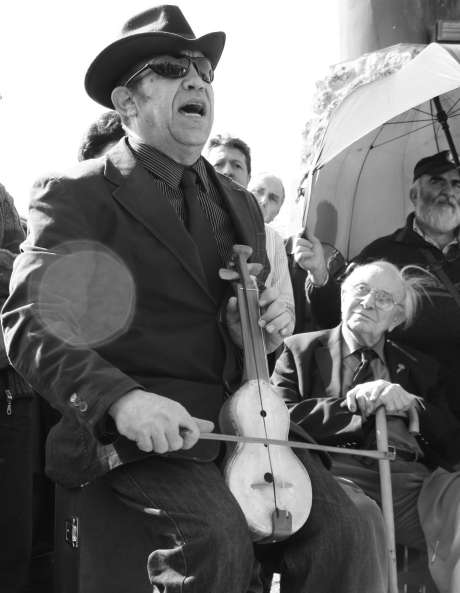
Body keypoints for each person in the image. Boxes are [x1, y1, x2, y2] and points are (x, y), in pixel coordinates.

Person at [2, 6, 386, 593]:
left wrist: (251, 332)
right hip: (130, 442)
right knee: (216, 533)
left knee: (349, 529)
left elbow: (237, 333)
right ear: (127, 104)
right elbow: (31, 324)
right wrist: (123, 401)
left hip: (246, 437)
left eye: (203, 68)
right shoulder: (74, 195)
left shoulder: (242, 204)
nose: (196, 79)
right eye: (171, 67)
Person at [271, 260, 460, 593]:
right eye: (361, 290)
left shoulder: (421, 368)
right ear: (343, 295)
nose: (370, 302)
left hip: (413, 483)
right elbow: (275, 416)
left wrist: (413, 404)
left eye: (384, 298)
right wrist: (351, 405)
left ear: (397, 317)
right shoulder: (299, 350)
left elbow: (452, 443)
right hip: (333, 472)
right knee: (359, 517)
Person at [297, 150, 460, 418]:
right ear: (414, 194)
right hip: (408, 395)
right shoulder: (383, 252)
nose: (449, 192)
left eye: (457, 184)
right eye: (437, 182)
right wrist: (319, 274)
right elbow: (338, 316)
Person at [207, 134, 295, 337]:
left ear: (247, 178)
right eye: (219, 163)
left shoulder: (273, 240)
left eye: (237, 165)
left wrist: (275, 323)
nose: (227, 171)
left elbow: (287, 308)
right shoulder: (182, 213)